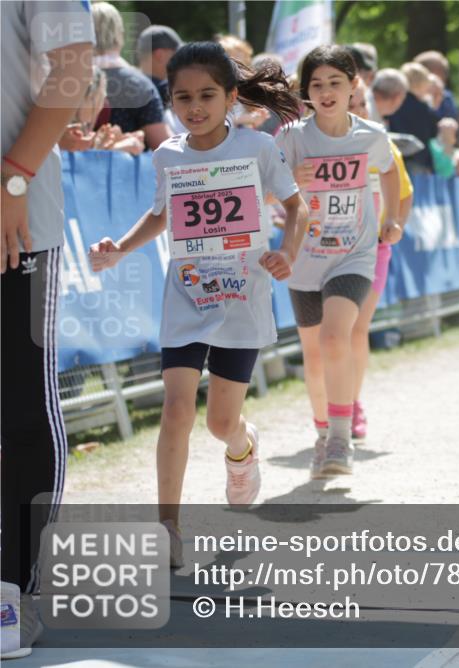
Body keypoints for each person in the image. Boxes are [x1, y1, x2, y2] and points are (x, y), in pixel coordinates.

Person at [88, 42, 305, 566]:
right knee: (177, 408)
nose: (195, 106)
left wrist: (286, 255)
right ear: (171, 101)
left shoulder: (255, 147)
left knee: (218, 423)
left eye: (207, 95)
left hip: (241, 299)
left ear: (231, 96)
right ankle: (168, 527)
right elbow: (162, 214)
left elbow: (297, 209)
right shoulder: (168, 155)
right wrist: (119, 246)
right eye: (182, 97)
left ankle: (243, 446)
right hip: (185, 296)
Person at [1, 1, 94, 659]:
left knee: (23, 410)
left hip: (16, 223)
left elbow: (72, 71)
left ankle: (14, 593)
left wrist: (11, 180)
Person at [275, 45, 401, 478]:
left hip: (354, 252)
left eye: (335, 83)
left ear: (353, 86)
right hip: (305, 257)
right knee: (313, 356)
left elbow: (389, 171)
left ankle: (341, 441)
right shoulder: (292, 137)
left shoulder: (371, 137)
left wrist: (391, 218)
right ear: (306, 92)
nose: (326, 92)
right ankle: (323, 432)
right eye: (317, 84)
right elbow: (266, 190)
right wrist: (292, 181)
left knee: (335, 339)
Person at [345, 80, 414, 442]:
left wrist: (395, 224)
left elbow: (404, 195)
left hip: (373, 249)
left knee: (356, 328)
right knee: (329, 333)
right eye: (350, 104)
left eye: (362, 105)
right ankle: (329, 405)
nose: (357, 111)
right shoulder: (320, 146)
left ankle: (352, 404)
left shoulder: (383, 147)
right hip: (328, 249)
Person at [91, 1, 169, 150]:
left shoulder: (67, 81)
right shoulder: (141, 85)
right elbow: (162, 145)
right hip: (126, 169)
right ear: (120, 34)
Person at [59, 66, 145, 155]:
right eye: (100, 98)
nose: (102, 106)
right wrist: (120, 147)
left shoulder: (72, 130)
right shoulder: (61, 133)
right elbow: (79, 159)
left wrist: (112, 142)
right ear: (87, 98)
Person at [384, 63, 439, 173]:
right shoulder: (424, 108)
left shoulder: (392, 103)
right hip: (419, 160)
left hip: (395, 159)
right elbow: (434, 132)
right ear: (422, 84)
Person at [136, 24, 183, 107]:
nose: (182, 60)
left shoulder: (128, 87)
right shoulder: (163, 91)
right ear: (159, 55)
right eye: (177, 54)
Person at [415, 50, 458, 119]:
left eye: (445, 71)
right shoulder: (408, 97)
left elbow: (453, 119)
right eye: (441, 70)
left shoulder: (447, 97)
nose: (445, 75)